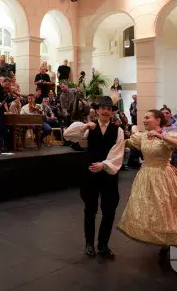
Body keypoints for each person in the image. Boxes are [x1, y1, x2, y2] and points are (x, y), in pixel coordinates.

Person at [117, 110, 177, 254]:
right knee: (151, 209)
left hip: (163, 175)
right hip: (146, 175)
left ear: (157, 120)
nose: (144, 120)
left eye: (147, 117)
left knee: (166, 208)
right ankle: (160, 239)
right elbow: (127, 143)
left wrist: (161, 136)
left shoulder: (169, 136)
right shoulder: (142, 137)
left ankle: (171, 240)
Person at [63, 96, 124, 259]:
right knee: (90, 209)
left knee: (109, 211)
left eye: (109, 109)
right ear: (96, 111)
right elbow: (67, 135)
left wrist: (104, 165)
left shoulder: (118, 130)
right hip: (90, 173)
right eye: (102, 108)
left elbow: (118, 153)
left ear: (112, 112)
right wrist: (85, 126)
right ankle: (89, 244)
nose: (105, 111)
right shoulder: (89, 127)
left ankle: (103, 245)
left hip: (109, 174)